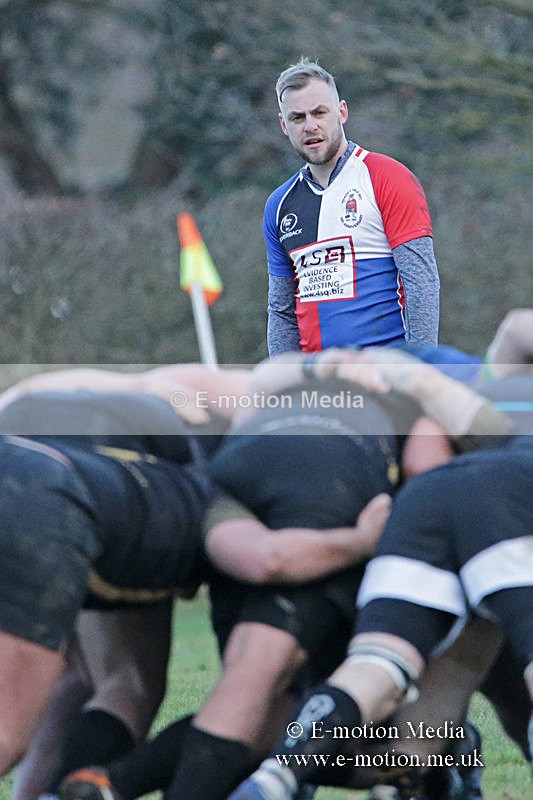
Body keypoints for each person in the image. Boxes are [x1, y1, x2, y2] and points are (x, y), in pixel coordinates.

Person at [58, 349, 508, 800]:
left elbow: (211, 388)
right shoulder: (418, 388)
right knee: (278, 696)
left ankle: (104, 784)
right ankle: (122, 783)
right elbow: (424, 470)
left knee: (256, 688)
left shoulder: (289, 375)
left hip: (231, 474)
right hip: (329, 483)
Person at [228, 354, 533, 800]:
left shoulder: (480, 390)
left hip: (426, 499)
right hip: (510, 497)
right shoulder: (483, 405)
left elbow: (422, 458)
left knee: (382, 666)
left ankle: (274, 778)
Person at [0, 361, 251, 780]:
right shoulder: (230, 397)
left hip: (46, 474)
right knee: (129, 685)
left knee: (77, 677)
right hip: (93, 502)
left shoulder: (76, 395)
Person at [266, 57, 440, 355]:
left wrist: (417, 371)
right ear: (284, 124)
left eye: (320, 112)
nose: (310, 126)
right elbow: (281, 311)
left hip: (385, 371)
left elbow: (421, 284)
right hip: (319, 382)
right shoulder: (279, 205)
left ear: (342, 112)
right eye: (298, 118)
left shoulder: (386, 176)